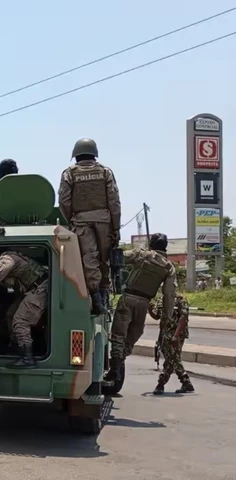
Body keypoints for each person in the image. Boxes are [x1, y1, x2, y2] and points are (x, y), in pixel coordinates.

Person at [58, 138, 121, 314]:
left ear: (76, 156)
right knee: (104, 260)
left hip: (81, 222)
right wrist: (115, 227)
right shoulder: (105, 172)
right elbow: (114, 201)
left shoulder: (69, 173)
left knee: (89, 259)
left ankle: (96, 300)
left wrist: (72, 218)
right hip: (105, 221)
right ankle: (104, 296)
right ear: (94, 154)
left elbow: (64, 200)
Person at [108, 233, 176, 383]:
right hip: (144, 303)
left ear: (151, 244)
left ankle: (115, 366)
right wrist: (167, 317)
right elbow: (169, 295)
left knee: (119, 335)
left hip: (129, 298)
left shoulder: (143, 254)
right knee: (133, 335)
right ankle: (118, 363)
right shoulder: (168, 267)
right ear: (165, 247)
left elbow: (119, 257)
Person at [0, 251, 49, 368]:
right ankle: (16, 346)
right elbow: (9, 284)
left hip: (39, 289)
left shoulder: (7, 258)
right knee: (10, 314)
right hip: (33, 289)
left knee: (20, 321)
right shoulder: (12, 261)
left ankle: (27, 358)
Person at [150, 291, 194, 395]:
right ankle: (186, 382)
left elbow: (184, 317)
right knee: (173, 358)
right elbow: (157, 316)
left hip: (176, 335)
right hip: (165, 334)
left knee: (171, 359)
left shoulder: (180, 299)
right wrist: (150, 309)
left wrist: (176, 335)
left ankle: (161, 384)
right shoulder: (162, 299)